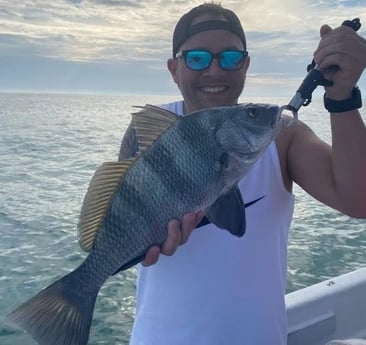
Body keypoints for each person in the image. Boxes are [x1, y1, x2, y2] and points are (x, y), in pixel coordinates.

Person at [119, 3, 366, 345]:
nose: (215, 70)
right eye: (198, 59)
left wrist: (341, 97)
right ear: (174, 69)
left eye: (231, 58)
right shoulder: (148, 130)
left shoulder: (281, 134)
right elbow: (124, 216)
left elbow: (359, 200)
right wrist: (144, 239)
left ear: (246, 64)